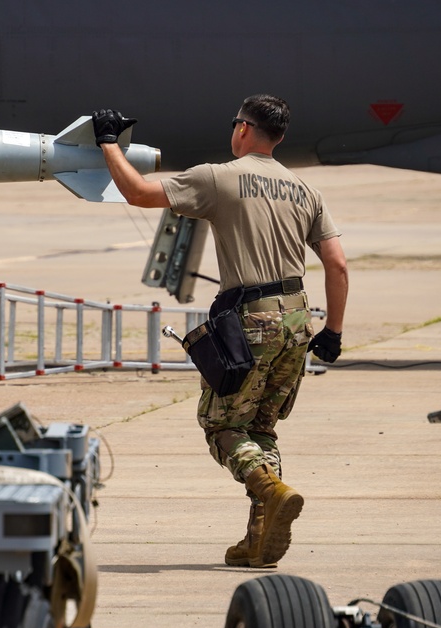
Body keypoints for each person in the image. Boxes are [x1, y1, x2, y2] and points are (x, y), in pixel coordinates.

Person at [92, 95, 349, 568]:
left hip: (252, 319)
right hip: (297, 319)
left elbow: (138, 193)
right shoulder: (305, 191)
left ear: (244, 129)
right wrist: (332, 331)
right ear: (281, 137)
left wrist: (108, 143)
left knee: (222, 425)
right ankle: (258, 538)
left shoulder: (219, 176)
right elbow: (336, 264)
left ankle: (269, 488)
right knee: (261, 427)